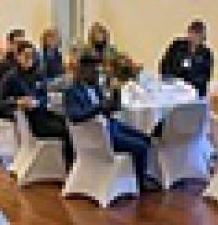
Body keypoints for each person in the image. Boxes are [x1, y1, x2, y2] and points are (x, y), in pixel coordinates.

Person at [63, 52, 158, 191]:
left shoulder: (95, 87)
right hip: (97, 136)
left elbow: (113, 109)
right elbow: (74, 116)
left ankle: (141, 173)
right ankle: (140, 182)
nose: (97, 74)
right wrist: (99, 108)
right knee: (140, 146)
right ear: (83, 71)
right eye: (94, 70)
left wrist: (115, 93)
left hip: (110, 126)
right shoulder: (72, 91)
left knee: (147, 138)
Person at [0, 41, 73, 166]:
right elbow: (0, 103)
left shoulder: (38, 74)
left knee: (70, 124)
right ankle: (68, 166)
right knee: (66, 131)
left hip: (43, 113)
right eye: (25, 55)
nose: (29, 58)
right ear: (18, 56)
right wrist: (17, 102)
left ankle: (69, 162)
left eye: (32, 55)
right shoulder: (10, 78)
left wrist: (37, 102)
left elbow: (44, 97)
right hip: (33, 122)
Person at [159, 19, 214, 97]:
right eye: (193, 33)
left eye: (199, 35)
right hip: (172, 88)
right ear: (189, 32)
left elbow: (205, 77)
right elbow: (164, 65)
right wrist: (172, 81)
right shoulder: (177, 45)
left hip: (194, 92)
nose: (196, 37)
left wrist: (188, 84)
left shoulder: (207, 54)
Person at [0, 28, 26, 116]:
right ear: (9, 44)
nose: (21, 47)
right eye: (17, 43)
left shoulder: (22, 61)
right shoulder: (5, 66)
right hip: (9, 108)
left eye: (23, 44)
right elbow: (1, 98)